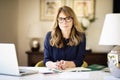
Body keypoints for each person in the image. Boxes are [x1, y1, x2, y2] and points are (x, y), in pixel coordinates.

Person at [44, 6, 86, 70]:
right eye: (61, 19)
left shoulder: (81, 36)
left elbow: (79, 60)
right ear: (57, 21)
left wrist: (67, 64)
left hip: (73, 73)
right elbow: (46, 60)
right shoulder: (49, 36)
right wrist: (55, 65)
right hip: (55, 72)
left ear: (73, 20)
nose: (64, 22)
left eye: (68, 18)